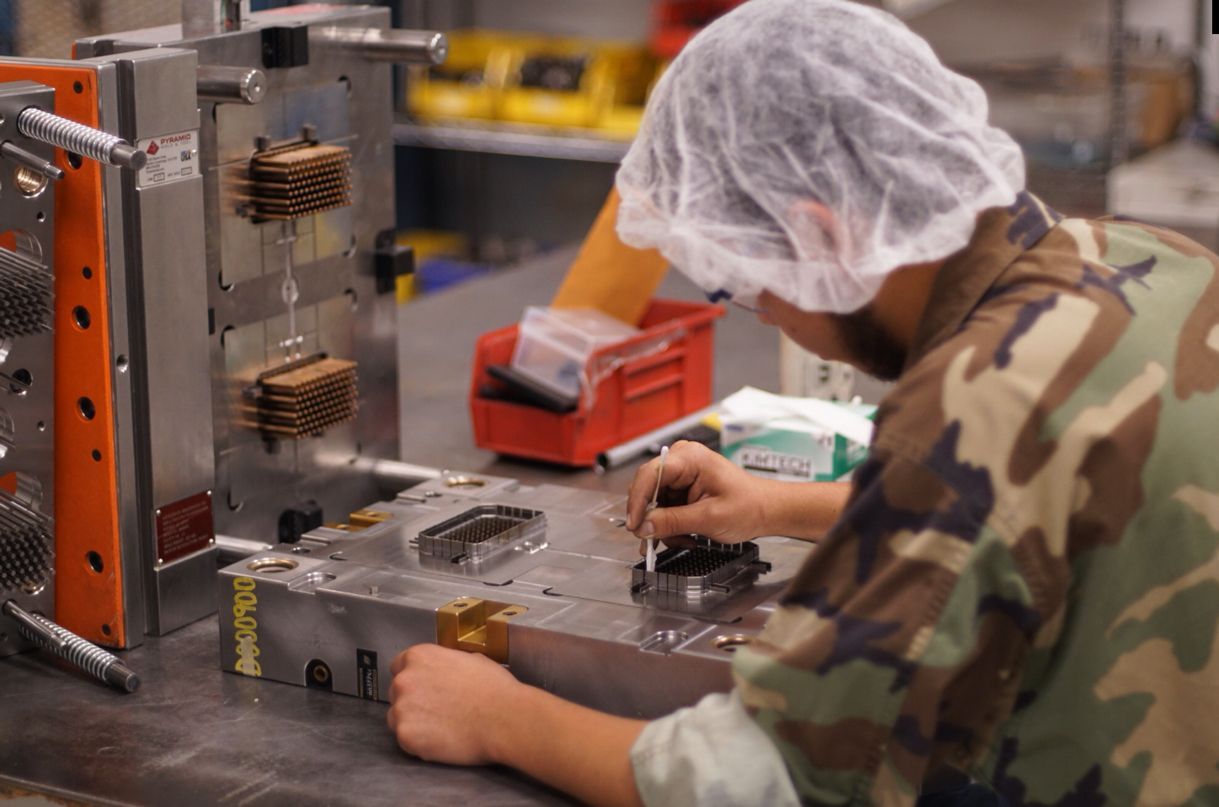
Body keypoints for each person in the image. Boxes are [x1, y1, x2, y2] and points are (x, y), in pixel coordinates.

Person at [385, 0, 1219, 803]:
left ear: (821, 233)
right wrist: (780, 505)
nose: (763, 306)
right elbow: (1023, 504)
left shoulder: (967, 405)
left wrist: (500, 717)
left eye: (740, 280)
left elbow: (760, 782)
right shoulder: (1147, 258)